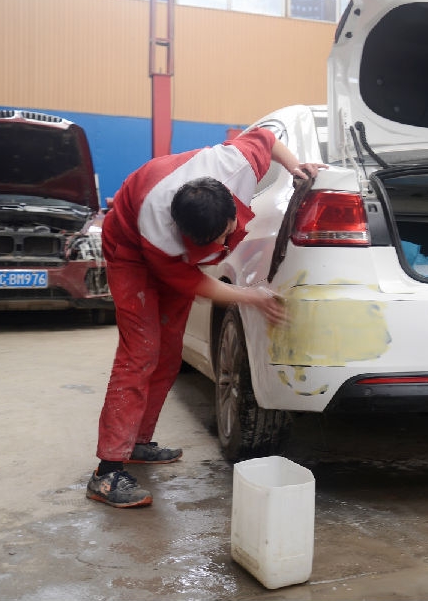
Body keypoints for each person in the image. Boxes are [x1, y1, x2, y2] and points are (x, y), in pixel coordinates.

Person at [86, 128, 326, 508]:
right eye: (209, 244)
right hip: (130, 249)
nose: (220, 247)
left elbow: (266, 137)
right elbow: (193, 282)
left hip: (168, 241)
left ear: (233, 205)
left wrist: (296, 166)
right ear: (181, 229)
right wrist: (252, 296)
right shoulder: (158, 230)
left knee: (169, 352)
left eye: (225, 234)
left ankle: (138, 443)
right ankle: (107, 470)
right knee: (141, 353)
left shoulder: (237, 165)